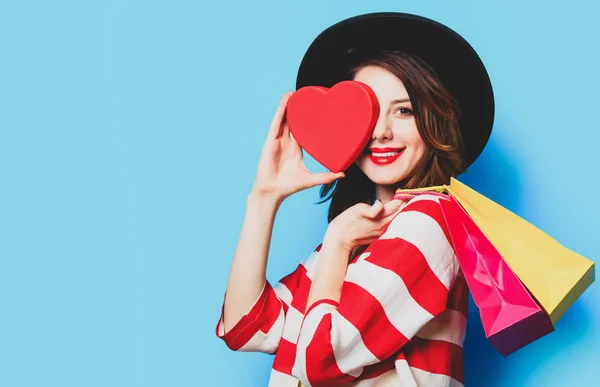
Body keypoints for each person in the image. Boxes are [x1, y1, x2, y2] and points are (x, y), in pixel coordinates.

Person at [215, 12, 495, 387]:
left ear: (434, 121)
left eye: (404, 110)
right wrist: (265, 197)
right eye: (369, 112)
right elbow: (244, 328)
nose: (381, 132)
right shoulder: (358, 241)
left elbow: (321, 363)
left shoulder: (430, 219)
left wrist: (337, 243)